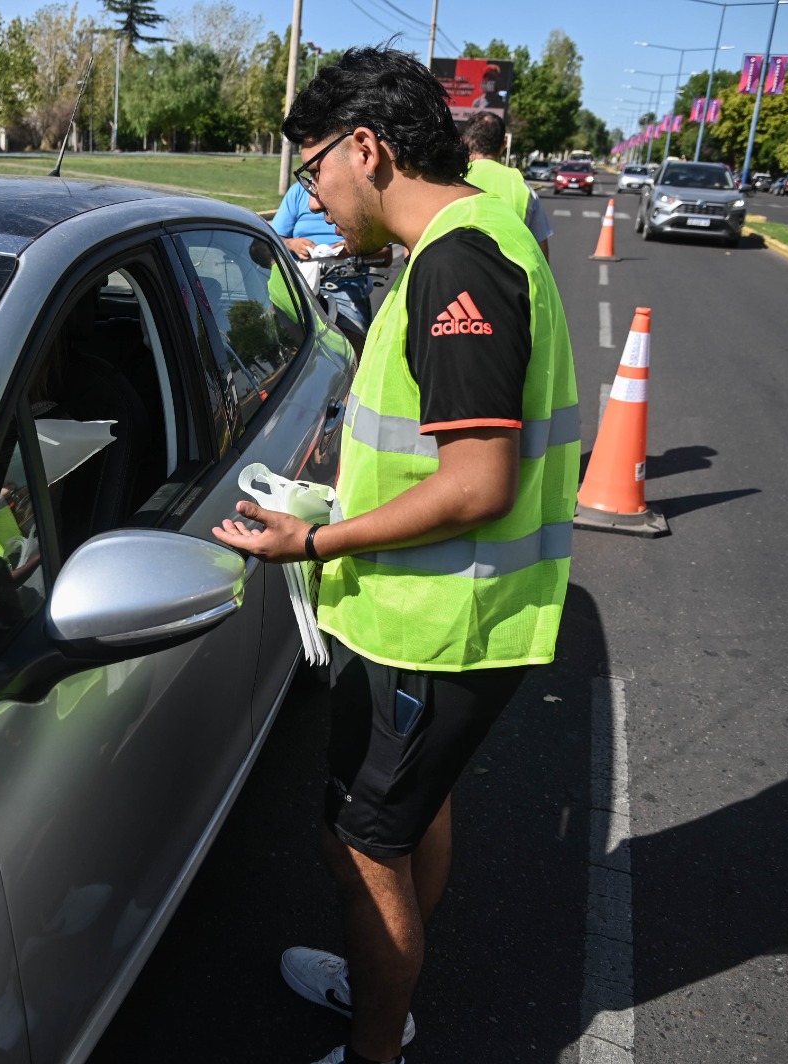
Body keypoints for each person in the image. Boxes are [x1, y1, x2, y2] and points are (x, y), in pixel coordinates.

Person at [212, 46, 578, 1064]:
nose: (309, 195)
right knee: (404, 823)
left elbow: (477, 483)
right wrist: (341, 486)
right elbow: (437, 446)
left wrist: (314, 536)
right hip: (430, 620)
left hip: (436, 626)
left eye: (310, 170)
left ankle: (378, 1040)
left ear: (363, 149)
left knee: (365, 848)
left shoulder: (457, 263)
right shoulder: (464, 242)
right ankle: (382, 976)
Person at [270, 177, 387, 334]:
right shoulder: (297, 192)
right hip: (300, 284)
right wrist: (291, 244)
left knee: (352, 345)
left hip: (344, 286)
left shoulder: (359, 192)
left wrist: (356, 250)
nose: (314, 206)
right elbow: (272, 240)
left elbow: (386, 256)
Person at [462, 112, 552, 260]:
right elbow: (540, 251)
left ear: (465, 141)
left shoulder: (450, 179)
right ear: (503, 144)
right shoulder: (522, 186)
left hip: (457, 278)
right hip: (509, 279)